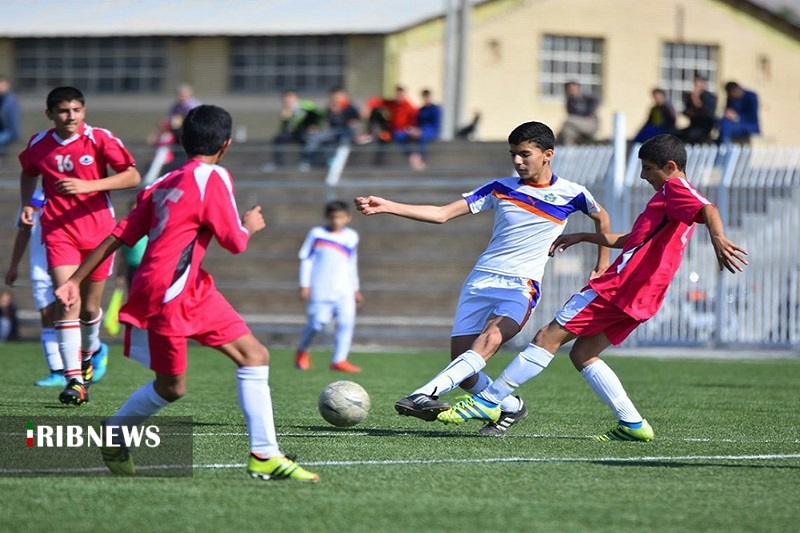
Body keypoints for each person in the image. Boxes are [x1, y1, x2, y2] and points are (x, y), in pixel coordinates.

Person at [55, 104, 319, 481]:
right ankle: (114, 432)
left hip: (181, 286)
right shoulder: (213, 177)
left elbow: (119, 233)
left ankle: (264, 453)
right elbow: (235, 243)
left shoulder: (160, 182)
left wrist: (74, 280)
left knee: (252, 356)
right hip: (171, 292)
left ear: (182, 141)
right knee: (172, 387)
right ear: (225, 145)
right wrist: (250, 224)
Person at [437, 134, 748, 441]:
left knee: (548, 336)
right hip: (646, 296)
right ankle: (633, 424)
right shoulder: (669, 200)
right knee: (583, 353)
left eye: (648, 168)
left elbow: (708, 209)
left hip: (620, 286)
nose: (642, 175)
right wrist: (584, 236)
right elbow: (632, 241)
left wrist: (718, 238)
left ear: (669, 166)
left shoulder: (675, 189)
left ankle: (488, 401)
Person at [355, 121, 610, 434]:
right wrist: (387, 206)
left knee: (489, 340)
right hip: (480, 283)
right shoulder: (500, 188)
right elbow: (441, 214)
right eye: (513, 154)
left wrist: (602, 262)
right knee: (464, 368)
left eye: (524, 154)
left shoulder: (573, 194)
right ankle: (512, 407)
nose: (517, 161)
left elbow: (602, 217)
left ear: (547, 155)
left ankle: (424, 394)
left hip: (521, 286)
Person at [18, 86, 140, 405]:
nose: (70, 116)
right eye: (63, 111)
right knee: (66, 300)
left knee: (89, 309)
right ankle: (73, 380)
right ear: (50, 114)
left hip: (99, 234)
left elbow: (131, 176)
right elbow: (27, 173)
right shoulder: (39, 144)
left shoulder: (99, 138)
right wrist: (27, 204)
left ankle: (90, 355)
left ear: (83, 111)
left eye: (76, 110)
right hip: (59, 232)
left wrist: (90, 185)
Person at [5, 189, 109, 385]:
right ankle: (57, 371)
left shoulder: (71, 191)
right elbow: (24, 232)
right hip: (40, 264)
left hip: (67, 260)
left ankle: (95, 348)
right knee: (47, 314)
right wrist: (14, 264)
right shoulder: (32, 198)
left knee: (75, 311)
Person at [295, 200, 364, 373]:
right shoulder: (317, 233)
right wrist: (304, 284)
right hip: (320, 287)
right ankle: (302, 351)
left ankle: (339, 360)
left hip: (345, 288)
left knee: (346, 322)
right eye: (333, 217)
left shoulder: (351, 236)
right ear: (327, 217)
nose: (336, 221)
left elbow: (352, 263)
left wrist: (355, 288)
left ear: (347, 218)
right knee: (317, 324)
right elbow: (306, 258)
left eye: (340, 218)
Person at [300, 87, 360, 171]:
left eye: (338, 97)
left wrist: (344, 115)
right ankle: (307, 160)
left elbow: (355, 118)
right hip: (333, 131)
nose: (336, 99)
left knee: (343, 140)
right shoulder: (329, 108)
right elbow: (324, 121)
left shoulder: (350, 107)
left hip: (345, 132)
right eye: (334, 97)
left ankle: (336, 160)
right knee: (315, 137)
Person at [263, 90, 322, 171]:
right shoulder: (286, 111)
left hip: (307, 132)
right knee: (278, 138)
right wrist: (286, 117)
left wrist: (314, 126)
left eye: (290, 100)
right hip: (295, 133)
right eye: (286, 101)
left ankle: (306, 162)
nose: (288, 102)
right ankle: (276, 162)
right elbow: (285, 128)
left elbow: (317, 116)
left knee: (309, 140)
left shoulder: (305, 106)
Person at [394, 89, 442, 170]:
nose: (425, 99)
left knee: (423, 137)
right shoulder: (421, 110)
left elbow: (436, 125)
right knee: (399, 135)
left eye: (427, 97)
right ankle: (411, 155)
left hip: (430, 131)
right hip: (419, 130)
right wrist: (412, 129)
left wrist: (422, 131)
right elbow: (416, 122)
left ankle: (422, 160)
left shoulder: (435, 109)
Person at [676, 74, 718, 144]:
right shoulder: (689, 97)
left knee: (691, 136)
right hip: (693, 125)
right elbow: (688, 111)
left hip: (704, 127)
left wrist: (695, 98)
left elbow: (706, 112)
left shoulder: (710, 97)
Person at [556, 81, 600, 146]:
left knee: (568, 121)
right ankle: (568, 153)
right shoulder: (570, 102)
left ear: (578, 88)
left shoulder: (586, 97)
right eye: (569, 89)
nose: (571, 91)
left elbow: (598, 100)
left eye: (573, 88)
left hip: (589, 124)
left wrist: (591, 113)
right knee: (567, 131)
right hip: (576, 127)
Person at [716, 81, 760, 145]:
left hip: (749, 125)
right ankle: (721, 145)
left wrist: (736, 117)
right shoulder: (731, 98)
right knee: (723, 122)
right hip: (732, 124)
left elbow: (753, 116)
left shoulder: (751, 97)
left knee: (726, 126)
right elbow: (729, 110)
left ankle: (724, 146)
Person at [0, 75, 21, 159]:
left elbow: (3, 115)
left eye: (1, 83)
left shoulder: (10, 100)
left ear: (7, 85)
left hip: (10, 132)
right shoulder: (2, 99)